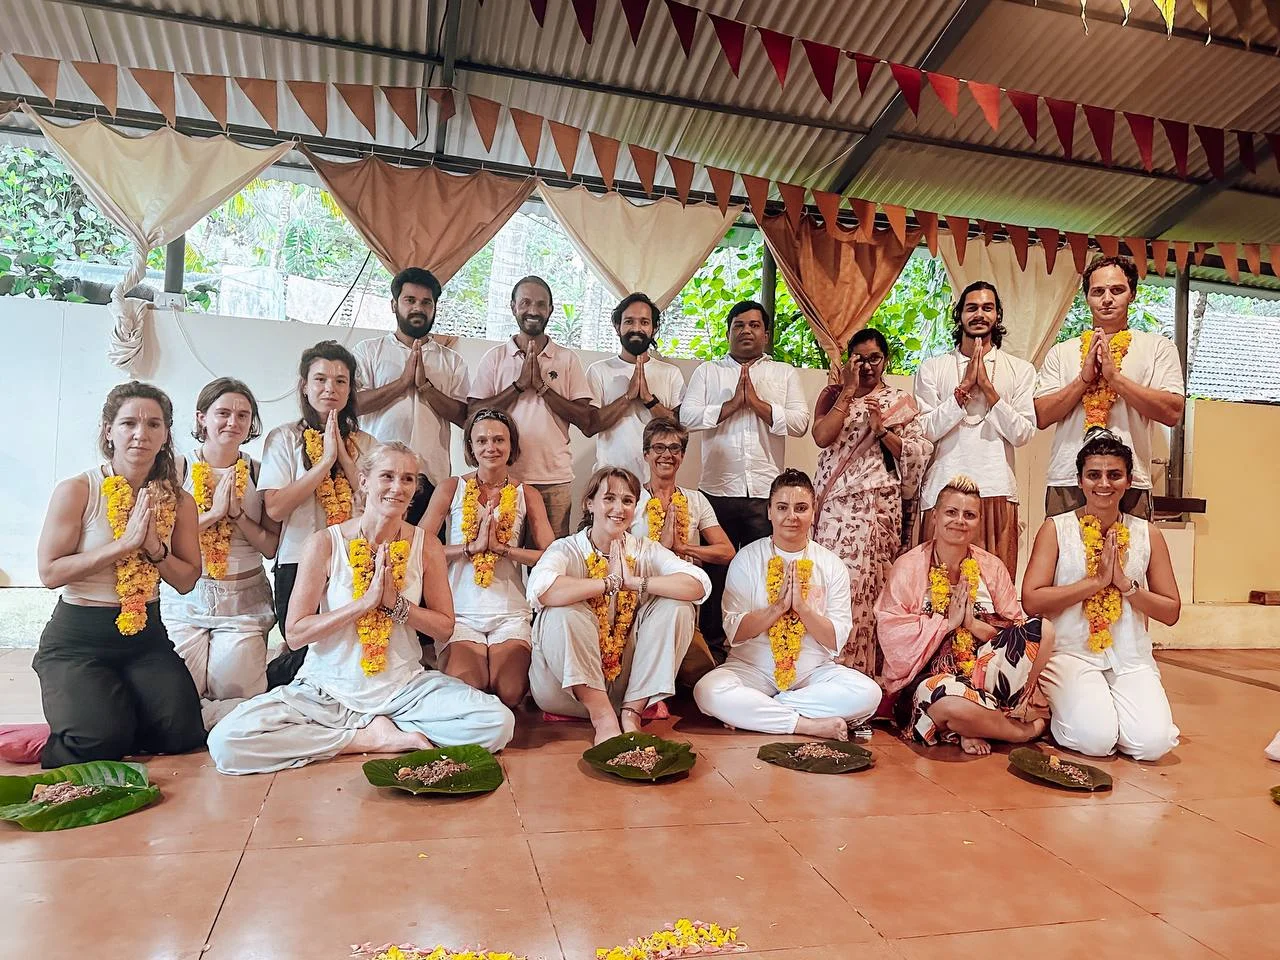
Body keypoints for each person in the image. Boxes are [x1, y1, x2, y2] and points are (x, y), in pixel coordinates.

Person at [208, 442, 515, 774]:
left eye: (408, 479)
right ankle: (366, 739)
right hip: (327, 689)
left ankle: (362, 731)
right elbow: (295, 634)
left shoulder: (427, 546)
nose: (397, 487)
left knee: (497, 723)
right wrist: (363, 605)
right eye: (387, 476)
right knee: (227, 742)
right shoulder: (324, 543)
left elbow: (444, 627)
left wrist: (396, 605)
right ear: (365, 481)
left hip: (402, 689)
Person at [34, 382, 206, 767]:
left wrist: (154, 549)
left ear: (165, 436)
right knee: (96, 742)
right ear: (109, 431)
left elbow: (186, 579)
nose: (140, 434)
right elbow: (49, 572)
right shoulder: (79, 489)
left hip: (146, 639)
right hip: (78, 641)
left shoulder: (179, 501)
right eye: (128, 423)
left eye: (153, 425)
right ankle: (96, 719)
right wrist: (123, 544)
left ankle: (114, 710)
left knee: (181, 733)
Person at [1021, 430, 1181, 761]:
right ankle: (1068, 714)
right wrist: (1094, 584)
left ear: (1128, 480)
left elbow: (1170, 611)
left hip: (1129, 656)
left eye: (1114, 475)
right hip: (1070, 653)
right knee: (1095, 741)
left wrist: (1125, 586)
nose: (1104, 484)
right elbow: (1031, 600)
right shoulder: (1057, 528)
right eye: (1094, 475)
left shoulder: (1147, 534)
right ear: (1079, 481)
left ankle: (1107, 713)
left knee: (1154, 744)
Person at [525, 467, 711, 744]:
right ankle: (603, 719)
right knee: (563, 610)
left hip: (628, 688)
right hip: (565, 692)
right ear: (589, 504)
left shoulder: (644, 549)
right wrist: (608, 583)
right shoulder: (566, 548)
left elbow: (698, 584)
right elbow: (541, 588)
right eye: (609, 498)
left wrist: (635, 582)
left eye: (627, 501)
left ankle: (631, 715)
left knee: (679, 607)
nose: (618, 508)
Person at [693, 470, 881, 740]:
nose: (791, 516)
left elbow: (834, 639)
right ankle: (807, 724)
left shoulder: (831, 565)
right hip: (751, 668)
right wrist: (778, 607)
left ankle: (758, 712)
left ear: (813, 512)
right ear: (769, 511)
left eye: (801, 508)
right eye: (782, 507)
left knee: (869, 693)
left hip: (811, 673)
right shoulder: (747, 559)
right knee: (707, 691)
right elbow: (735, 632)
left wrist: (802, 609)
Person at [876, 476, 1053, 755]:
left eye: (969, 515)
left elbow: (1013, 631)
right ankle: (1021, 732)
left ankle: (969, 725)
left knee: (1043, 629)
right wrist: (947, 624)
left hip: (983, 673)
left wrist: (971, 624)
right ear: (935, 516)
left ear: (978, 521)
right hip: (930, 680)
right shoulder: (909, 566)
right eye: (951, 512)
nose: (959, 521)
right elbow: (892, 634)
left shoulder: (991, 567)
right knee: (951, 702)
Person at [680, 300, 810, 653]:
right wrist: (730, 407)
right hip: (716, 491)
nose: (746, 331)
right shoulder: (709, 372)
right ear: (728, 333)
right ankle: (711, 648)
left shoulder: (783, 373)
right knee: (715, 575)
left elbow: (801, 423)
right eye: (739, 325)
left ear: (766, 334)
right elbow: (687, 417)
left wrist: (758, 405)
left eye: (754, 325)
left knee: (761, 573)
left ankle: (759, 647)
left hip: (765, 495)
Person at [160, 378, 281, 729]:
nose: (233, 422)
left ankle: (210, 721)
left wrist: (238, 516)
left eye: (243, 415)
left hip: (243, 603)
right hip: (186, 601)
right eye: (223, 413)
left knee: (236, 692)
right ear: (202, 418)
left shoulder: (261, 472)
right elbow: (160, 543)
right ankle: (201, 720)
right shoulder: (176, 470)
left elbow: (271, 547)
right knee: (179, 691)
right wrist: (212, 514)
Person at [811, 327, 931, 675]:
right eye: (859, 358)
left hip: (879, 505)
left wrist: (882, 432)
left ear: (886, 360)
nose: (866, 366)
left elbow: (917, 454)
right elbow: (821, 437)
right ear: (849, 359)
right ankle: (827, 671)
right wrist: (848, 391)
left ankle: (869, 678)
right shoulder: (833, 393)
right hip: (835, 505)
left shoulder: (900, 402)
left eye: (874, 358)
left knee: (874, 587)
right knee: (836, 583)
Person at [259, 341, 375, 688]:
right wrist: (323, 463)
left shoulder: (367, 444)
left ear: (351, 389)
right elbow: (276, 507)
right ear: (304, 386)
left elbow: (375, 505)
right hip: (297, 561)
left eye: (341, 381)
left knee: (348, 651)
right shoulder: (284, 438)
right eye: (321, 379)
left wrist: (343, 457)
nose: (330, 389)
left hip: (352, 562)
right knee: (305, 650)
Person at [420, 410, 555, 708]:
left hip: (509, 613)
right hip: (459, 613)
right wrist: (469, 548)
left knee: (509, 692)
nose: (490, 447)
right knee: (471, 688)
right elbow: (418, 548)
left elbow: (551, 557)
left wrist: (503, 550)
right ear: (470, 447)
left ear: (511, 446)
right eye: (481, 440)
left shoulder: (527, 494)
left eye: (498, 440)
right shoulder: (451, 488)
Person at [1035, 255, 1184, 519]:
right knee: (1064, 558)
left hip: (1130, 480)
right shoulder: (1062, 352)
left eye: (1117, 290)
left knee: (1130, 558)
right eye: (1098, 292)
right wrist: (1083, 379)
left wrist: (1115, 379)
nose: (1107, 299)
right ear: (1087, 298)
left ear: (1132, 294)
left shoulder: (1157, 347)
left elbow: (1172, 412)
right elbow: (1042, 415)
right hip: (1068, 478)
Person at [914, 282, 1036, 575]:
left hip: (996, 489)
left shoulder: (1020, 370)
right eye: (971, 308)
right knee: (937, 587)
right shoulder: (933, 368)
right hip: (942, 490)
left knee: (992, 592)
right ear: (959, 315)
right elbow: (924, 430)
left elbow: (1023, 433)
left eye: (987, 307)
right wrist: (963, 390)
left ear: (998, 315)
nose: (979, 314)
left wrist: (990, 392)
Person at [468, 276, 593, 537]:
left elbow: (585, 419)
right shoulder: (495, 358)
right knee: (502, 554)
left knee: (551, 562)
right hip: (502, 478)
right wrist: (519, 386)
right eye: (525, 302)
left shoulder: (567, 359)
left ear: (551, 310)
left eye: (540, 304)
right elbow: (473, 414)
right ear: (513, 307)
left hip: (554, 480)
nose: (533, 310)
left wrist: (543, 388)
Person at [353, 267, 470, 526]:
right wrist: (402, 383)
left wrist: (426, 388)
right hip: (379, 477)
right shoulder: (368, 352)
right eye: (410, 300)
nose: (418, 308)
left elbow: (465, 417)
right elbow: (353, 405)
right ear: (394, 305)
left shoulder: (451, 361)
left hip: (432, 479)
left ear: (435, 308)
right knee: (372, 555)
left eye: (426, 302)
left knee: (424, 557)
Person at [630, 417, 736, 685]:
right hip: (637, 603)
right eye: (659, 448)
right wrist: (659, 551)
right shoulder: (630, 499)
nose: (667, 455)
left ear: (683, 456)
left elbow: (726, 551)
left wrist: (683, 548)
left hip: (681, 603)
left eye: (675, 448)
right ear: (646, 454)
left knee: (701, 678)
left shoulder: (695, 500)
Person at [583, 292, 685, 481]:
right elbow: (590, 426)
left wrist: (649, 400)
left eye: (644, 322)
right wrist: (627, 397)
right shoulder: (598, 370)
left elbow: (679, 428)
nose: (636, 328)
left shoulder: (671, 373)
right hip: (610, 480)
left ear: (654, 328)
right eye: (629, 321)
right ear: (617, 326)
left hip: (656, 483)